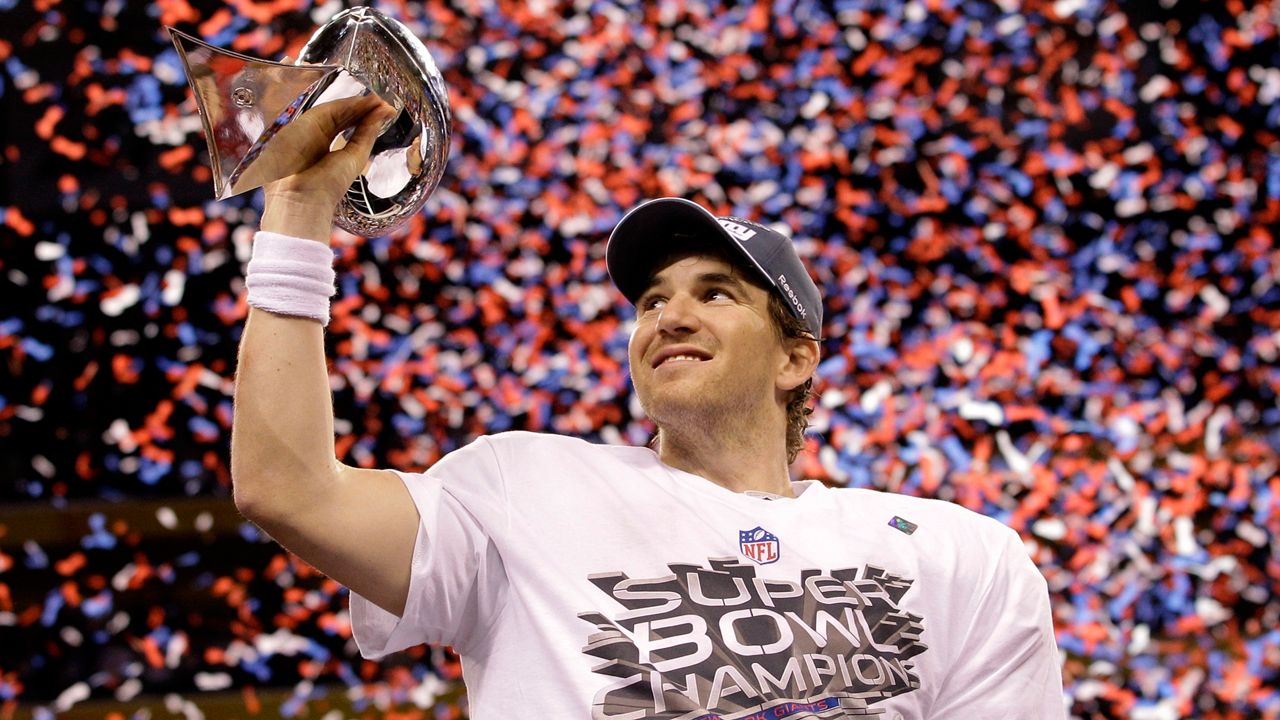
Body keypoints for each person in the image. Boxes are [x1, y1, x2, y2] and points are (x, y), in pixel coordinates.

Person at [231, 96, 1067, 718]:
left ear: (795, 357)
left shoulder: (965, 557)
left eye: (715, 293)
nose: (669, 315)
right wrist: (299, 212)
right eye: (649, 302)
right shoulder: (519, 488)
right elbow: (290, 491)